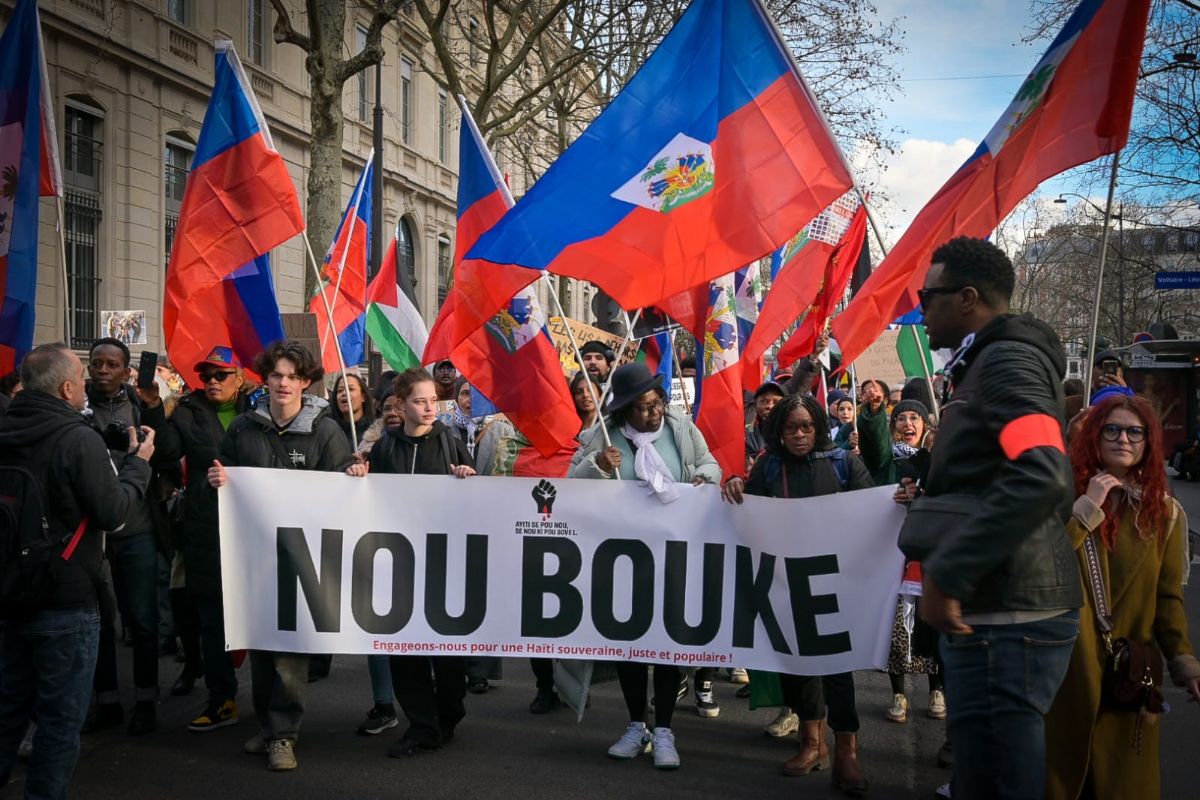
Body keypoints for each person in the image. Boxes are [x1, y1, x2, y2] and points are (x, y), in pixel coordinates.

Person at [898, 236, 1081, 799]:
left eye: (928, 296)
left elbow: (1042, 470)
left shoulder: (1007, 362)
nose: (920, 307)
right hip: (998, 607)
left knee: (997, 780)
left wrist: (952, 572)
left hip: (1008, 615)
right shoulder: (985, 363)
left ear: (968, 298)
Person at [0, 343, 154, 800]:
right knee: (59, 722)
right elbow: (113, 513)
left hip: (10, 591)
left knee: (8, 708)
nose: (88, 383)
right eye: (82, 377)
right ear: (68, 388)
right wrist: (138, 466)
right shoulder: (76, 437)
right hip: (65, 598)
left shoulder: (6, 427)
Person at [1044, 392, 1199, 800]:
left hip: (1127, 673)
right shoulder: (1061, 497)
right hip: (1067, 670)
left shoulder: (1164, 513)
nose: (1123, 439)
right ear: (1094, 435)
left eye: (1135, 431)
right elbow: (1041, 570)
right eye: (1111, 429)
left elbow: (1168, 599)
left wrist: (1184, 661)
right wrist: (1085, 510)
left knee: (1120, 783)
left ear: (1149, 441)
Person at [207, 341, 354, 771]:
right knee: (261, 644)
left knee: (290, 650)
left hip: (302, 557)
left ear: (305, 382)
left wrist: (353, 473)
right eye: (276, 375)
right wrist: (216, 478)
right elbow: (224, 475)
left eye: (292, 376)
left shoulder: (326, 431)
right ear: (265, 379)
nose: (283, 382)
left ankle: (284, 735)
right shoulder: (244, 429)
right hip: (253, 555)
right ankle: (269, 727)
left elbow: (342, 487)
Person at [571, 362, 721, 770]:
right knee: (631, 644)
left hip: (673, 554)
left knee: (668, 642)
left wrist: (704, 480)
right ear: (623, 410)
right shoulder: (602, 435)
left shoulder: (681, 428)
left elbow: (709, 463)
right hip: (622, 560)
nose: (653, 413)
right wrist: (597, 465)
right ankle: (637, 724)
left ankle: (667, 731)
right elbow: (570, 484)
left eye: (656, 404)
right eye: (642, 407)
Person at [722, 394, 873, 794]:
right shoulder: (769, 465)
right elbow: (747, 512)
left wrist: (900, 499)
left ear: (819, 428)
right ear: (779, 431)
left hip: (836, 581)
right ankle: (812, 744)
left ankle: (847, 752)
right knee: (797, 664)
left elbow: (872, 508)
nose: (800, 434)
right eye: (792, 428)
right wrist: (736, 484)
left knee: (839, 668)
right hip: (786, 581)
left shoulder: (842, 462)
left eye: (807, 427)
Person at [351, 368, 475, 758]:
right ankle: (421, 726)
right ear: (401, 405)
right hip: (400, 568)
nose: (428, 408)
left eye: (433, 401)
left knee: (450, 660)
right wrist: (357, 475)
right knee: (406, 655)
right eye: (420, 401)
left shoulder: (451, 442)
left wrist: (466, 475)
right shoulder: (385, 447)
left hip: (444, 567)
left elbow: (480, 495)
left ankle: (447, 715)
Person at [139, 347, 248, 732]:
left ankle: (276, 707)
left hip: (255, 528)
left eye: (221, 375)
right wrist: (154, 407)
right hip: (206, 528)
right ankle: (222, 698)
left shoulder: (259, 412)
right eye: (207, 376)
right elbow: (166, 452)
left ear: (241, 377)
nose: (213, 382)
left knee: (262, 612)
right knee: (213, 617)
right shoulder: (186, 412)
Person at [83, 338, 163, 735]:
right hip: (92, 531)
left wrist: (154, 409)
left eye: (111, 364)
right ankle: (107, 701)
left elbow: (164, 454)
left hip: (136, 527)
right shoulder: (74, 409)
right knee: (97, 620)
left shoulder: (140, 404)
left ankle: (146, 700)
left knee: (143, 617)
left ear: (126, 370)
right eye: (96, 363)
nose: (101, 370)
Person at [881, 400, 944, 724]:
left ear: (926, 426)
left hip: (928, 561)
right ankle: (899, 694)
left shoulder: (936, 462)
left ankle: (937, 689)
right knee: (895, 631)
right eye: (901, 417)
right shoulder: (886, 460)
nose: (908, 422)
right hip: (891, 558)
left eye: (914, 417)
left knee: (930, 624)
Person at [745, 381, 786, 471]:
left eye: (776, 401)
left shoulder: (793, 432)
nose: (770, 406)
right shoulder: (745, 434)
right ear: (755, 405)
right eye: (764, 401)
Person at [329, 372, 373, 449]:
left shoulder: (376, 431)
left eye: (350, 389)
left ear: (363, 397)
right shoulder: (329, 431)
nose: (344, 393)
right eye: (339, 390)